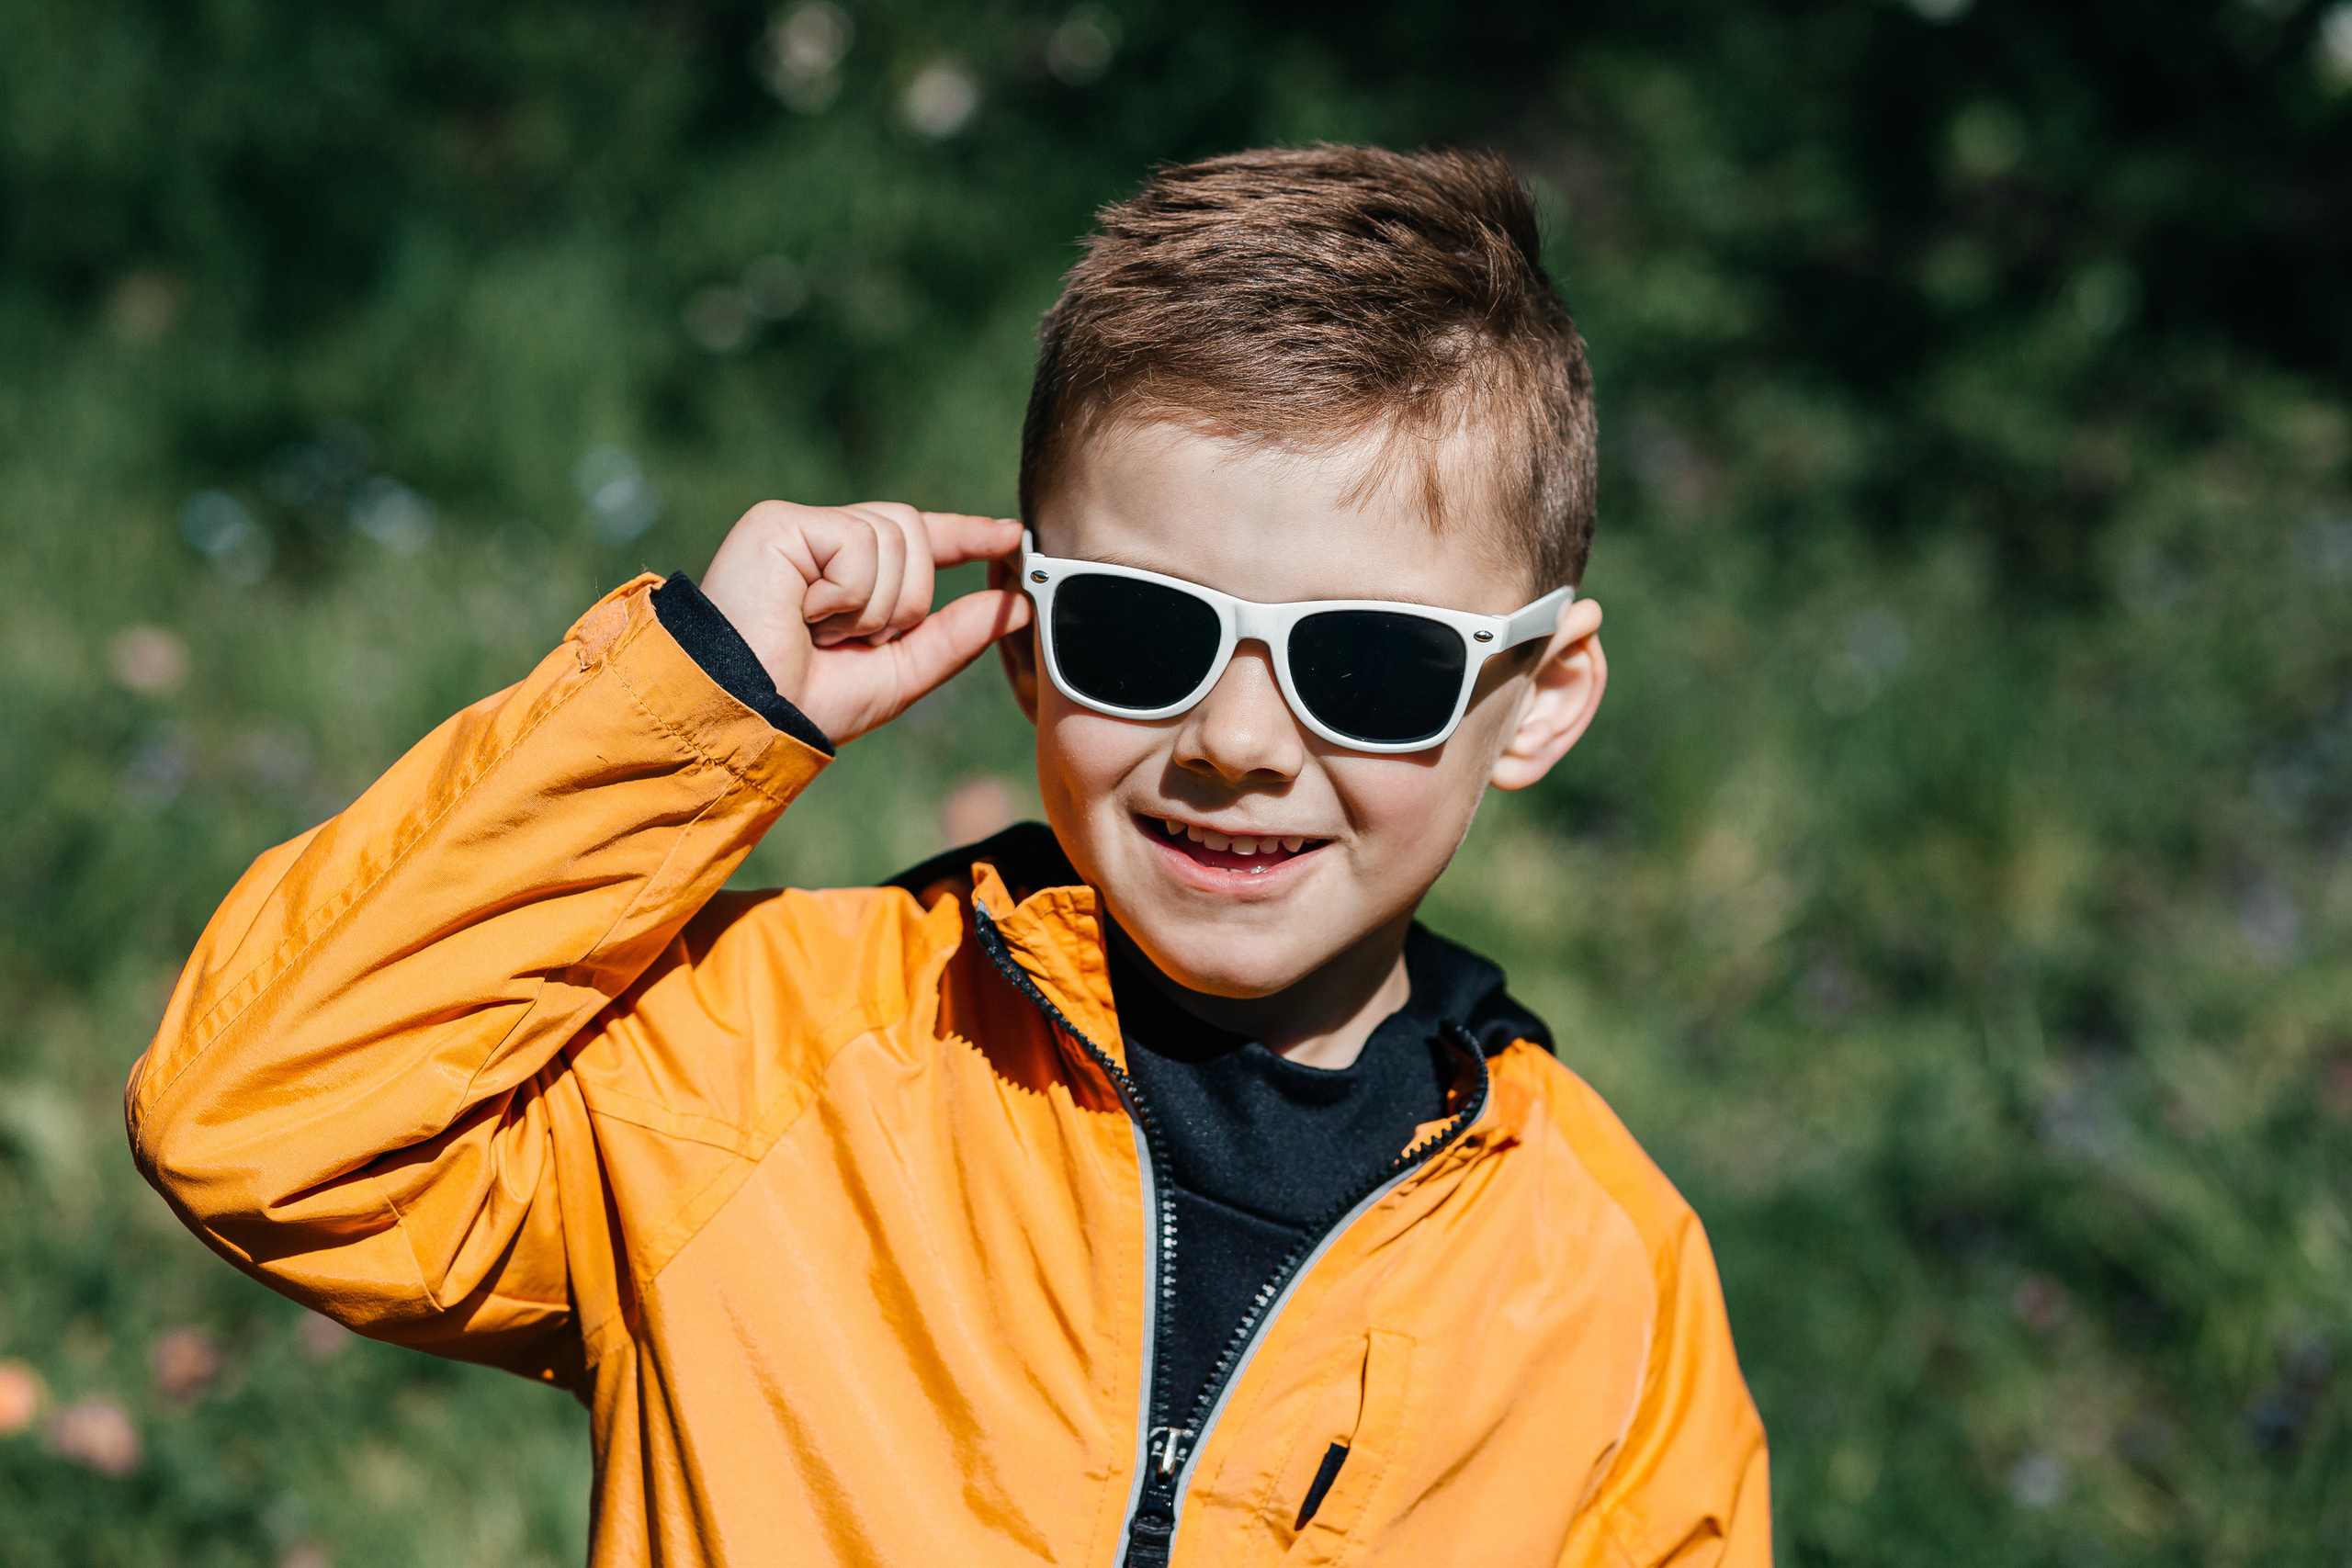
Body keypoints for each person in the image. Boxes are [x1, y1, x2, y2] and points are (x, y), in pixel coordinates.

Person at [129, 145, 1768, 1566]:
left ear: (1541, 699)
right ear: (1029, 644)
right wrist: (693, 710)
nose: (1236, 741)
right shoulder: (760, 1067)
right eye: (1142, 631)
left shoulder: (1601, 1282)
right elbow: (255, 1123)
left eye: (1367, 663)